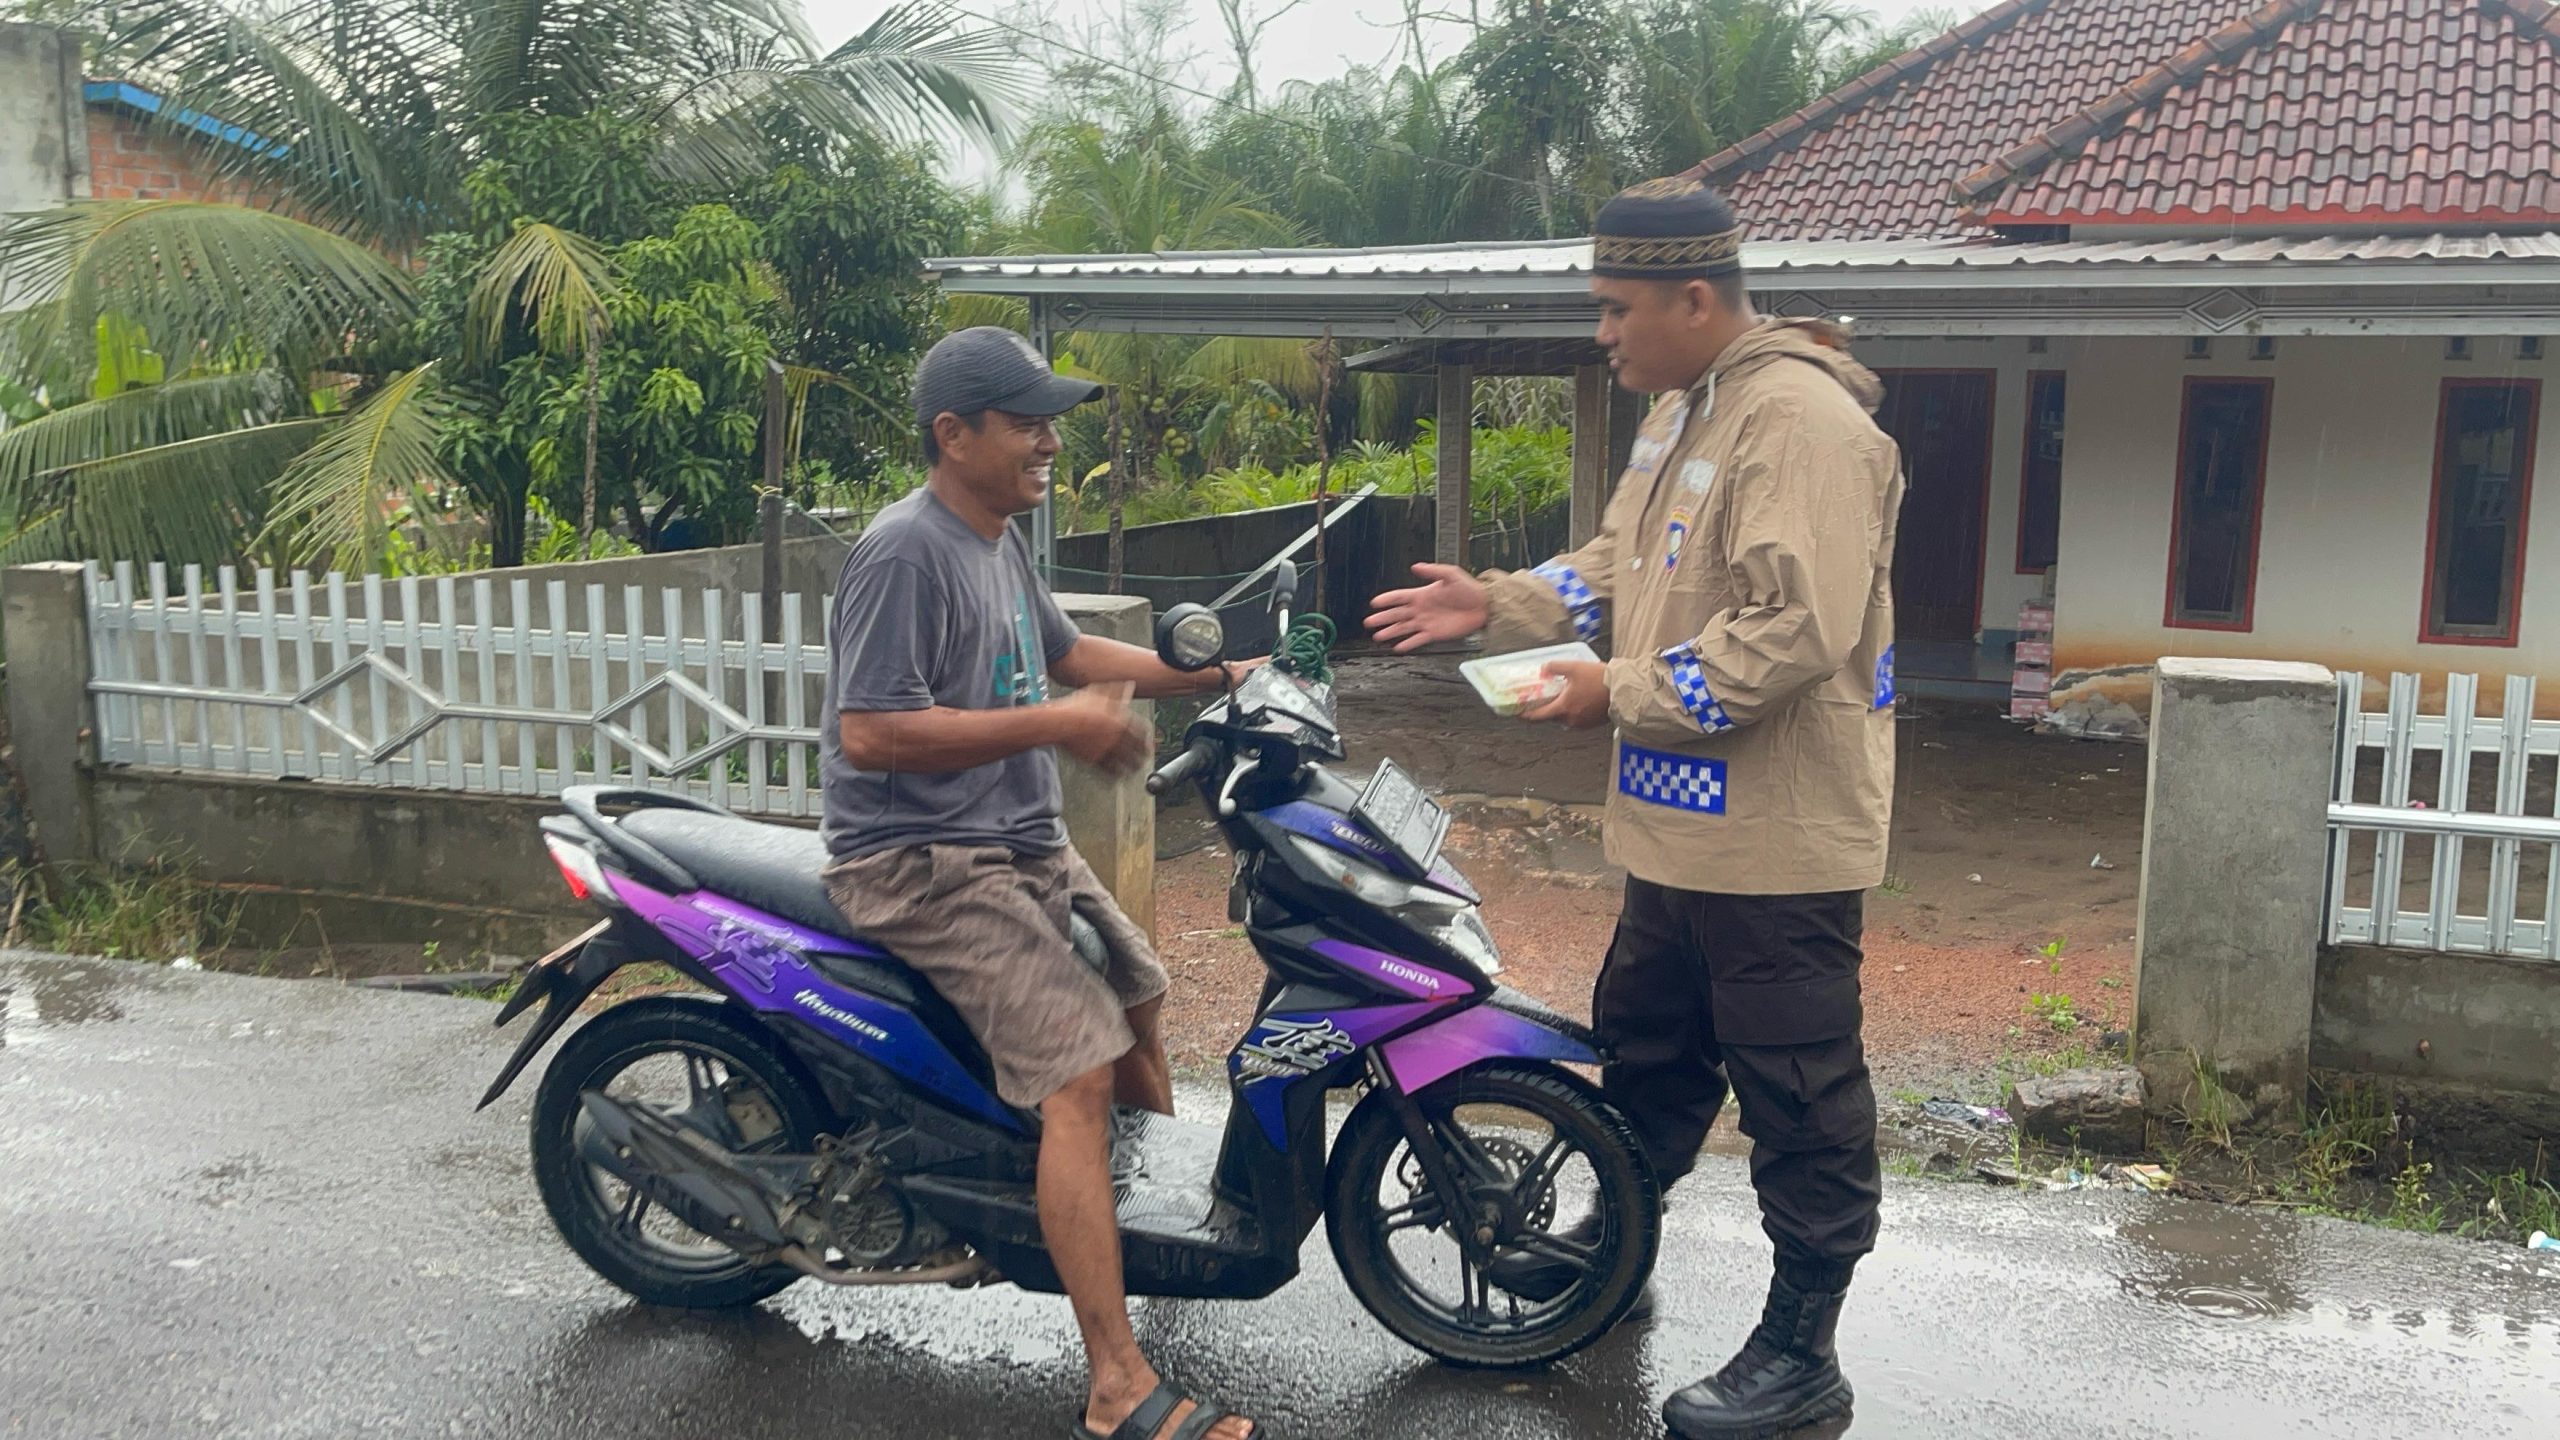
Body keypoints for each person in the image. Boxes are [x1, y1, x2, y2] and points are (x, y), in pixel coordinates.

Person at [1366, 178, 1903, 1440]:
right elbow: (1616, 564)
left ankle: (1801, 1351)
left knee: (1796, 1091)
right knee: (1651, 1048)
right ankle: (1617, 1251)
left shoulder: (1800, 425)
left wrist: (1613, 689)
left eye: (1615, 309)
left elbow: (1793, 630)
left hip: (1775, 839)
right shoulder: (1682, 413)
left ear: (1693, 297)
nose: (1601, 333)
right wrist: (1498, 605)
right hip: (1674, 827)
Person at [821, 327, 1257, 1440]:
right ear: (952, 435)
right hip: (920, 863)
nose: (1050, 441)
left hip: (1018, 846)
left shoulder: (997, 539)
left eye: (1049, 420)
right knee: (1079, 1074)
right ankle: (1115, 1385)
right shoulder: (902, 551)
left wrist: (1220, 674)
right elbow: (872, 733)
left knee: (1145, 993)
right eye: (1026, 422)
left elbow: (1071, 658)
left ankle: (1148, 1251)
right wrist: (1057, 727)